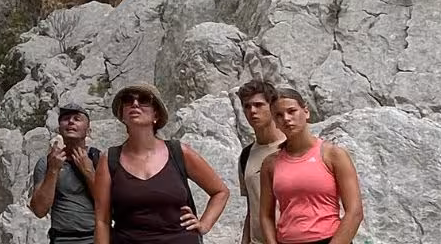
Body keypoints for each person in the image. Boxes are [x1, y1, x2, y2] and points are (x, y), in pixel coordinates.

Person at [90, 83, 230, 244]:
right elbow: (102, 221)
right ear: (122, 115)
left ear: (156, 114)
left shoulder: (178, 152)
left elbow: (220, 192)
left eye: (143, 100)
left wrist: (204, 224)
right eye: (128, 100)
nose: (135, 104)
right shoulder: (110, 159)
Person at [256, 88, 361, 244]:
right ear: (275, 123)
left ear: (306, 112)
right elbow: (265, 215)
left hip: (329, 239)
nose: (286, 118)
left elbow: (355, 212)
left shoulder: (333, 155)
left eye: (292, 111)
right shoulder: (270, 164)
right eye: (278, 115)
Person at [29, 102, 101, 244]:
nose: (71, 122)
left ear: (88, 130)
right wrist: (53, 170)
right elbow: (39, 210)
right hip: (61, 239)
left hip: (95, 238)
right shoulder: (47, 163)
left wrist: (88, 171)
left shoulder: (98, 158)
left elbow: (109, 204)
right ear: (59, 128)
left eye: (77, 118)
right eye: (66, 118)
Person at [233, 80, 285, 244]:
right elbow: (252, 205)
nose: (252, 111)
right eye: (247, 106)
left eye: (258, 105)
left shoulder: (291, 146)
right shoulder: (246, 155)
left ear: (272, 107)